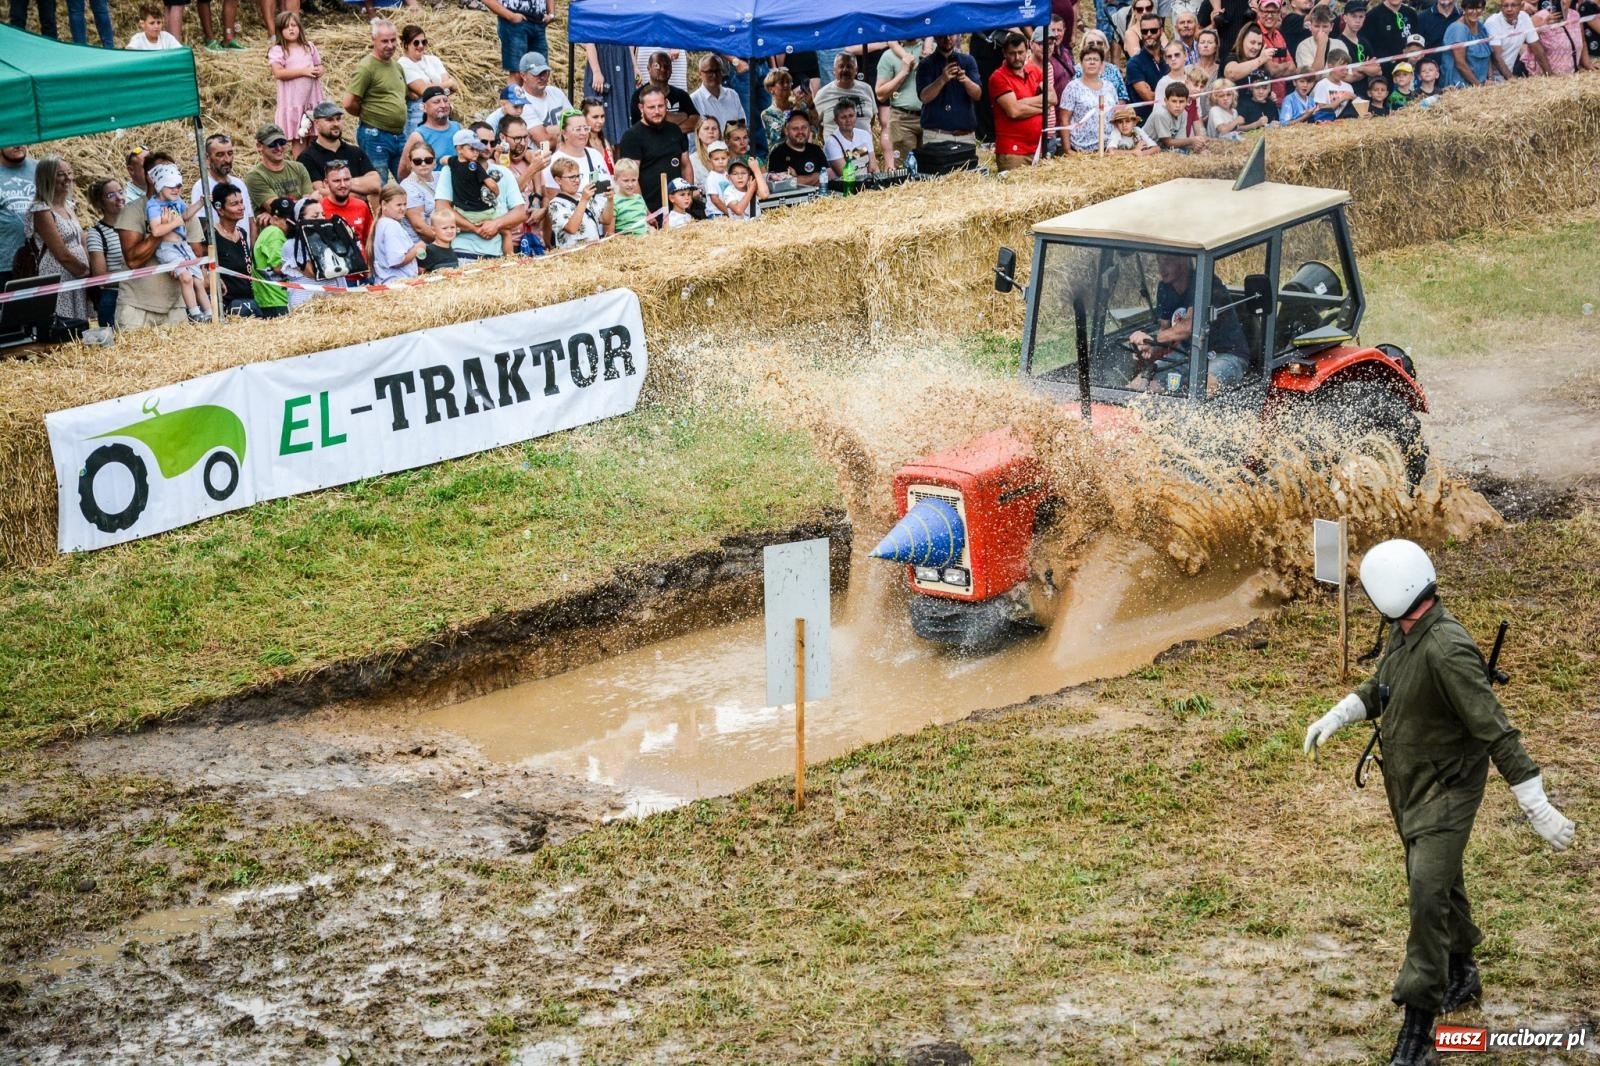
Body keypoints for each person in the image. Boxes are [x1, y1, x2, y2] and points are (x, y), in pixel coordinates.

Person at [1303, 539, 1575, 1066]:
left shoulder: (1445, 647)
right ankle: (1463, 968)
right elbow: (1383, 687)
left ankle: (1419, 1028)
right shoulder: (1406, 634)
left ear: (1388, 594)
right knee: (1439, 880)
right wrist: (1338, 715)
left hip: (1446, 791)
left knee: (1426, 896)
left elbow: (1497, 731)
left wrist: (1535, 803)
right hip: (1411, 784)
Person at [113, 152, 185, 330]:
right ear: (150, 176)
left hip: (175, 305)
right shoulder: (133, 210)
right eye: (163, 171)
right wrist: (161, 230)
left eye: (173, 171)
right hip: (136, 309)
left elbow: (198, 253)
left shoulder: (183, 208)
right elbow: (133, 260)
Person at [25, 157, 90, 335]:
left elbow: (80, 239)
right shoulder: (41, 210)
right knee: (64, 324)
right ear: (47, 179)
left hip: (76, 274)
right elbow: (61, 253)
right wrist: (85, 272)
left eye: (69, 173)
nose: (68, 178)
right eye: (61, 174)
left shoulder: (69, 205)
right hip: (59, 273)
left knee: (80, 324)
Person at [433, 139, 526, 260]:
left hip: (497, 254)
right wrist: (475, 229)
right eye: (482, 142)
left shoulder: (503, 172)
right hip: (463, 252)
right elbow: (442, 209)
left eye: (492, 143)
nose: (487, 147)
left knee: (506, 232)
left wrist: (496, 224)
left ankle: (511, 258)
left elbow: (520, 213)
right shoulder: (450, 170)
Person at [144, 162, 212, 323]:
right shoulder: (153, 206)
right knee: (186, 278)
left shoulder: (177, 201)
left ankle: (210, 313)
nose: (176, 190)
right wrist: (176, 222)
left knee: (199, 280)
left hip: (183, 245)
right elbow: (156, 231)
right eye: (171, 186)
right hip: (167, 248)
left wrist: (200, 203)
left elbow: (186, 215)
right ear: (160, 186)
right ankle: (195, 313)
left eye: (178, 186)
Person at [343, 18, 408, 185]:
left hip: (399, 135)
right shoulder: (366, 67)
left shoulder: (397, 66)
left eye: (393, 40)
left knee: (408, 182)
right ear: (373, 40)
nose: (390, 45)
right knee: (378, 184)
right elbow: (349, 102)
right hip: (375, 135)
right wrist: (370, 114)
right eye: (384, 41)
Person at [616, 86, 693, 217]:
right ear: (641, 108)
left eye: (660, 106)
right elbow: (631, 178)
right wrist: (645, 211)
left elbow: (686, 165)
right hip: (650, 210)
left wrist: (688, 196)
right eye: (651, 107)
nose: (657, 111)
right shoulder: (632, 136)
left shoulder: (675, 130)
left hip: (678, 210)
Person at [989, 31, 1050, 171]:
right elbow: (1014, 111)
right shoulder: (998, 77)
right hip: (1013, 152)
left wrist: (1022, 102)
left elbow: (1052, 98)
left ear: (1027, 49)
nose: (1017, 57)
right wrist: (1043, 108)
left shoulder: (1034, 70)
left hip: (1037, 148)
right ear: (1004, 53)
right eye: (1012, 53)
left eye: (1021, 52)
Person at [269, 12, 324, 158]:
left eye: (294, 25)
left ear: (299, 27)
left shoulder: (309, 47)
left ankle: (315, 172)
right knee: (298, 140)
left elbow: (320, 65)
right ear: (280, 31)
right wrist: (303, 72)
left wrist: (319, 71)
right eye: (286, 27)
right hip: (293, 102)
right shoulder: (278, 50)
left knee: (314, 139)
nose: (291, 29)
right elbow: (279, 73)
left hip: (311, 101)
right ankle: (301, 169)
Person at [243, 124, 313, 234]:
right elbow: (282, 210)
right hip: (275, 234)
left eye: (282, 142)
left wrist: (274, 212)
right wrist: (277, 210)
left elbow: (310, 204)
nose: (279, 148)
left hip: (302, 229)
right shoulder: (255, 176)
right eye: (272, 144)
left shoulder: (299, 168)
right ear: (259, 146)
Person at [916, 35, 983, 150]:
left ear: (957, 35)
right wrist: (942, 79)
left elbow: (978, 95)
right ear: (936, 37)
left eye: (951, 34)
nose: (947, 39)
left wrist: (966, 80)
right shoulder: (925, 64)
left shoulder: (968, 60)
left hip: (965, 136)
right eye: (943, 35)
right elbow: (924, 97)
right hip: (936, 136)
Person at [189, 134, 252, 249]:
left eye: (230, 153)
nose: (227, 159)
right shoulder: (201, 187)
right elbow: (201, 227)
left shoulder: (239, 184)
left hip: (244, 254)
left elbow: (250, 220)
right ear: (207, 158)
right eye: (220, 155)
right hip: (222, 255)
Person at [398, 25, 458, 138]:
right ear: (406, 44)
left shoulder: (433, 60)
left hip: (442, 108)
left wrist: (440, 87)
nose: (421, 46)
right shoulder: (403, 64)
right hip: (419, 113)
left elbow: (453, 88)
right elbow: (424, 91)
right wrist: (449, 83)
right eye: (416, 43)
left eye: (423, 42)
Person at [320, 161, 374, 279]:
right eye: (337, 181)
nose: (343, 184)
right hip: (336, 279)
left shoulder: (361, 206)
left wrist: (370, 268)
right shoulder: (319, 209)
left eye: (347, 179)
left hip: (363, 275)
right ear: (326, 183)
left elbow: (368, 240)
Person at [209, 182, 256, 316]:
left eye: (241, 202)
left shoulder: (242, 233)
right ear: (220, 209)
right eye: (234, 204)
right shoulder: (211, 235)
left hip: (248, 299)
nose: (241, 207)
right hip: (226, 305)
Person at [1063, 43, 1121, 152]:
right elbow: (1064, 119)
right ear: (1081, 64)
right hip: (1082, 150)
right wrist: (1067, 150)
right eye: (1088, 59)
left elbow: (1116, 115)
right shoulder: (1072, 87)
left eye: (1096, 59)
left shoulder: (1110, 87)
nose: (1092, 62)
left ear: (1101, 64)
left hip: (1109, 148)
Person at [84, 179, 125, 328]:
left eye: (120, 192)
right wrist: (130, 279)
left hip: (138, 294)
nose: (119, 198)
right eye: (111, 195)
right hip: (113, 297)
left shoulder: (136, 224)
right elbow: (100, 277)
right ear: (100, 203)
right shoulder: (96, 233)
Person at [546, 157, 611, 249]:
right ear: (558, 180)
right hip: (573, 257)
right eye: (572, 177)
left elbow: (606, 220)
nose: (577, 180)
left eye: (578, 176)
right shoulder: (555, 204)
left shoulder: (583, 195)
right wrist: (584, 200)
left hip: (594, 253)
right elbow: (572, 228)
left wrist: (610, 200)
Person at [484, 0, 555, 83]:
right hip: (514, 24)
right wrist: (511, 16)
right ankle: (513, 95)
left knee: (541, 73)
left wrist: (551, 14)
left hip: (539, 22)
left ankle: (527, 95)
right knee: (517, 73)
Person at [813, 52, 876, 143]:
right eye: (841, 66)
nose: (845, 70)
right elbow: (815, 121)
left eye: (849, 66)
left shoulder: (866, 89)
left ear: (856, 70)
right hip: (835, 152)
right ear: (834, 70)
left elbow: (872, 119)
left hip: (864, 151)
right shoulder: (823, 93)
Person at [581, 41, 634, 147]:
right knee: (600, 113)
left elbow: (629, 40)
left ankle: (620, 161)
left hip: (622, 57)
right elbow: (588, 41)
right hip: (602, 58)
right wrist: (596, 71)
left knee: (623, 113)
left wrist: (634, 66)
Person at [543, 108, 609, 192]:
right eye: (578, 129)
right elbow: (553, 199)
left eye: (586, 128)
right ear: (564, 133)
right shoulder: (553, 162)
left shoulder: (595, 154)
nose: (583, 133)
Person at [630, 51, 698, 133]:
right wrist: (682, 116)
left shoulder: (681, 95)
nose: (662, 69)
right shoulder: (639, 95)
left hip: (677, 145)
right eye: (657, 66)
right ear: (648, 68)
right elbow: (639, 127)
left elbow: (696, 121)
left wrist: (668, 132)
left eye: (666, 66)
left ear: (671, 70)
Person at [401, 87, 462, 177]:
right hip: (434, 188)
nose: (443, 105)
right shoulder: (418, 135)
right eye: (436, 102)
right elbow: (404, 170)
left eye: (445, 101)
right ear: (424, 107)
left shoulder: (458, 127)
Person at [0, 144, 38, 292]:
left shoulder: (40, 169)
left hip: (39, 262)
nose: (17, 144)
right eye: (11, 140)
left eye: (22, 139)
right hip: (4, 265)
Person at [371, 183, 424, 284]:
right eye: (398, 205)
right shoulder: (391, 226)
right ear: (384, 204)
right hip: (397, 283)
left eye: (405, 204)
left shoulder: (383, 223)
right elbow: (397, 261)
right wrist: (417, 249)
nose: (403, 208)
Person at [516, 52, 573, 143]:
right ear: (523, 76)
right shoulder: (522, 103)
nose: (542, 78)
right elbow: (544, 142)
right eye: (536, 74)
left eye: (544, 73)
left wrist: (549, 130)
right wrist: (569, 131)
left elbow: (577, 124)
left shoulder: (556, 92)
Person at [251, 196, 292, 317]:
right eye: (287, 221)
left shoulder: (271, 232)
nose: (292, 224)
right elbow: (279, 267)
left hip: (273, 298)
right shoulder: (275, 232)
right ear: (274, 219)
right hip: (275, 300)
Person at [766, 109, 828, 188]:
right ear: (786, 131)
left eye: (804, 127)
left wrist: (797, 179)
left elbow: (829, 175)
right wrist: (817, 177)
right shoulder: (778, 154)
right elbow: (782, 185)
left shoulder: (816, 150)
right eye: (795, 129)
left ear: (809, 128)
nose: (800, 132)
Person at [1484, 0, 1547, 75]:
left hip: (1508, 72)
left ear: (1521, 6)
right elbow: (1496, 57)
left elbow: (1537, 48)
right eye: (1505, 6)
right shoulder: (1492, 22)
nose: (1509, 9)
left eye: (1513, 5)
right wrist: (1512, 80)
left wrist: (1550, 74)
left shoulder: (1524, 17)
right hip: (1490, 77)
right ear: (1500, 7)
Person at [1143, 82, 1209, 152]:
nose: (1178, 105)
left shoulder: (1184, 113)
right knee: (1181, 153)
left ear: (1187, 102)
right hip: (1147, 147)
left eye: (1181, 101)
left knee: (1185, 152)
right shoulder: (1161, 114)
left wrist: (1198, 145)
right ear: (1166, 101)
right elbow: (1168, 143)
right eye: (1174, 101)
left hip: (1163, 148)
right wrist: (1192, 140)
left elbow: (1180, 141)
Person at [1442, 0, 1495, 86]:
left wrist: (1490, 78)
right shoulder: (1458, 29)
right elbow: (1460, 63)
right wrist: (1479, 86)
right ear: (1464, 9)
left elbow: (1488, 56)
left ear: (1483, 9)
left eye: (1478, 8)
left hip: (1481, 84)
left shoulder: (1481, 27)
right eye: (1471, 8)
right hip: (1460, 86)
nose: (1474, 12)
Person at [822, 101, 878, 181]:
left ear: (856, 116)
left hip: (867, 183)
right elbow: (845, 173)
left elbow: (873, 166)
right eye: (843, 117)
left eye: (851, 116)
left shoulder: (865, 135)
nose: (848, 120)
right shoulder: (832, 142)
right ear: (836, 120)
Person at [691, 55, 747, 133]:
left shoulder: (733, 95)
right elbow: (693, 137)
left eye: (717, 71)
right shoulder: (694, 100)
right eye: (709, 71)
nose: (714, 75)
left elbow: (742, 126)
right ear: (700, 74)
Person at [1367, 0, 1422, 72]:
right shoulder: (1372, 16)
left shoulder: (1411, 13)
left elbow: (1418, 40)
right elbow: (1368, 48)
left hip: (1410, 69)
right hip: (1385, 73)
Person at [1128, 13, 1173, 101]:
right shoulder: (1134, 63)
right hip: (1147, 114)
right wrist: (1175, 92)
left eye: (1153, 30)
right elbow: (1149, 97)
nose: (1149, 34)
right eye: (1144, 31)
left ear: (1161, 31)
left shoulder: (1170, 57)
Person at [399, 143, 437, 242]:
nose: (423, 164)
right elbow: (420, 227)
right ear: (411, 163)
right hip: (422, 244)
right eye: (417, 161)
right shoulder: (408, 186)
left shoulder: (441, 176)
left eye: (428, 160)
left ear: (434, 161)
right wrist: (446, 242)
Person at [610, 158, 648, 235]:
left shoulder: (639, 198)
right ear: (615, 179)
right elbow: (609, 233)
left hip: (645, 243)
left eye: (633, 180)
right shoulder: (613, 201)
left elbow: (643, 224)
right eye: (626, 180)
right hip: (627, 244)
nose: (630, 184)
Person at [687, 116, 723, 186]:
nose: (711, 131)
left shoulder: (728, 156)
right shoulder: (692, 160)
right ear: (698, 134)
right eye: (706, 128)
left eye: (714, 128)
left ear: (719, 133)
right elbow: (690, 191)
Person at [583, 98, 615, 170]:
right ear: (584, 117)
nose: (600, 121)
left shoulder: (605, 142)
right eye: (595, 117)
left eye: (602, 116)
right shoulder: (580, 146)